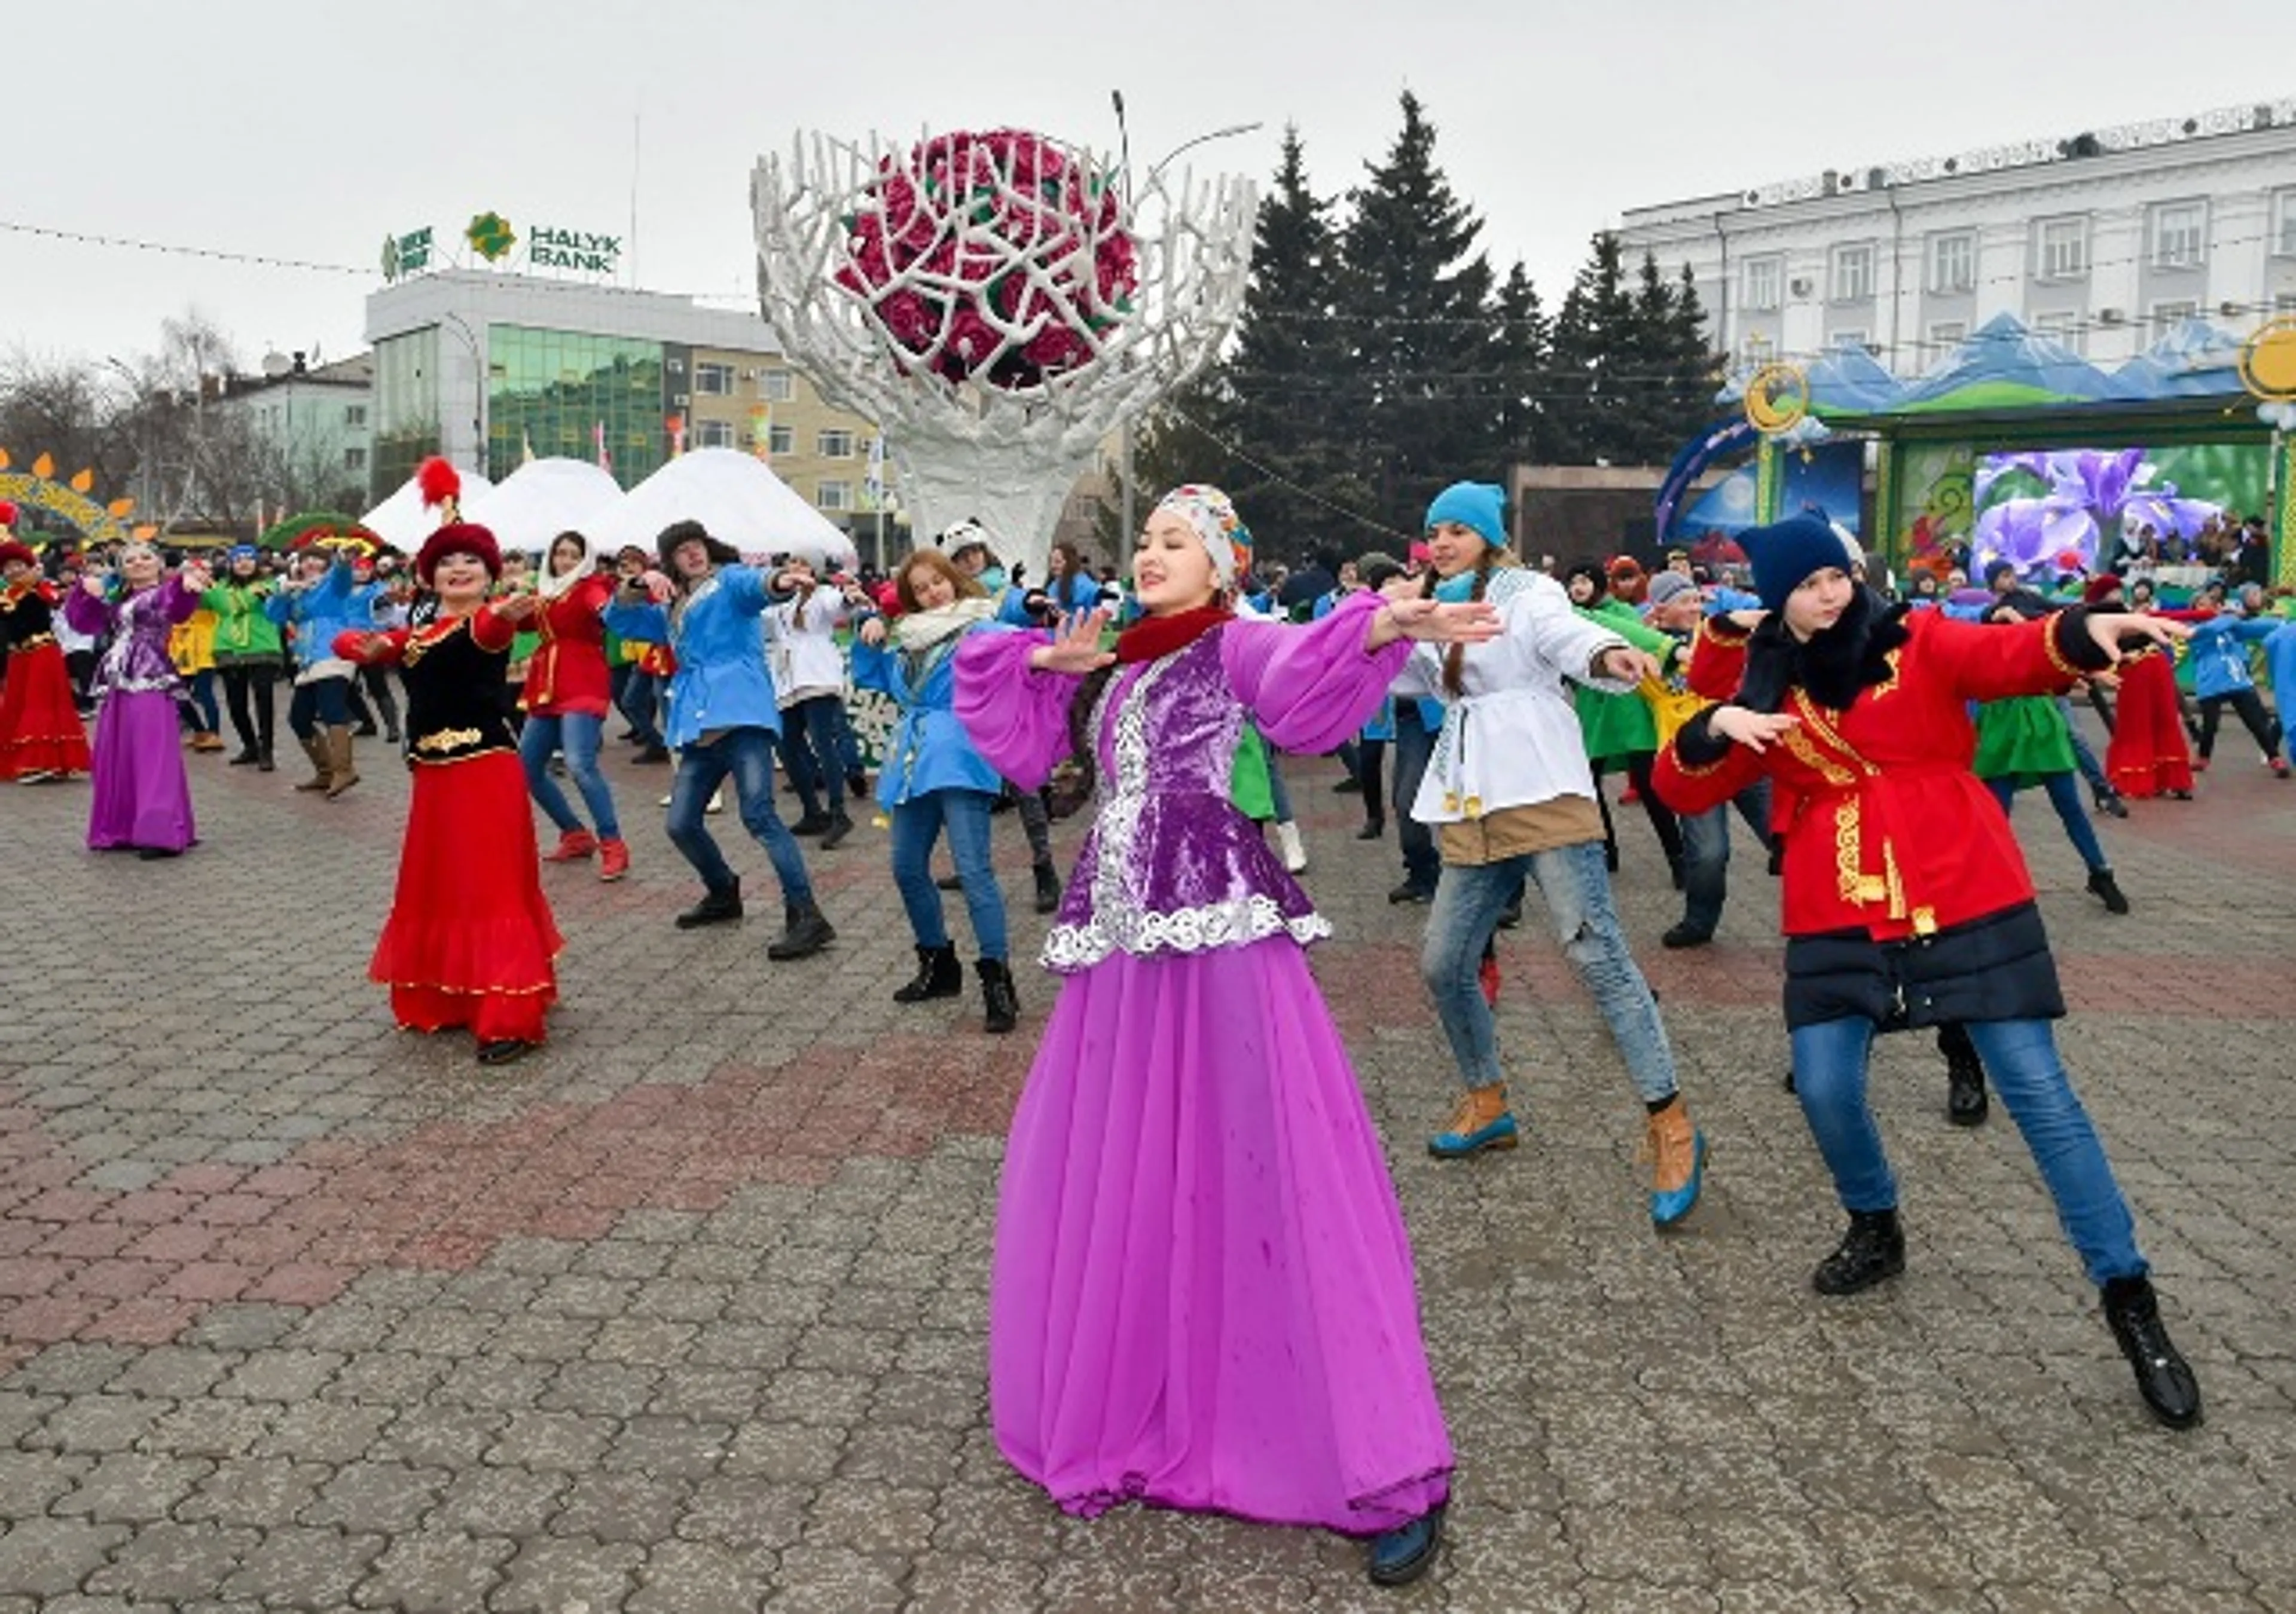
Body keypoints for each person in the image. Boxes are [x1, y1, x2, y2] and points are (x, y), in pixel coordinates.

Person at [952, 484, 1494, 1586]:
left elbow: (1296, 682)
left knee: (1273, 1170)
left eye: (1175, 541)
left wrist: (1381, 624)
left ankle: (1368, 1452)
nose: (1150, 554)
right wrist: (1045, 665)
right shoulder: (1131, 660)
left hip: (1217, 940)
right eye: (1144, 540)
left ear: (1224, 564)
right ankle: (1151, 1388)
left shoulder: (1231, 643)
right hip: (1123, 953)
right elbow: (988, 702)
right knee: (1135, 1171)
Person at [1654, 513, 2203, 1430]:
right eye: (1809, 584)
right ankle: (1875, 1223)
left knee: (2041, 1095)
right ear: (1776, 600)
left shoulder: (1915, 639)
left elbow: (2009, 655)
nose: (1832, 594)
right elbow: (1679, 790)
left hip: (1966, 882)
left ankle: (2130, 1299)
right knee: (1826, 1088)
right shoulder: (1767, 688)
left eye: (1839, 576)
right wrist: (1717, 728)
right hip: (1835, 902)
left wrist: (2083, 631)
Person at [1407, 485, 1706, 1230]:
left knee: (1596, 953)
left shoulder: (1526, 590)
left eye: (1456, 530)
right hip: (1471, 794)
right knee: (1445, 962)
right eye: (1433, 531)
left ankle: (1673, 1124)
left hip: (1540, 784)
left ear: (1486, 535)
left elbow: (1566, 635)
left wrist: (1610, 650)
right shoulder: (1429, 607)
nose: (1442, 542)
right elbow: (1395, 675)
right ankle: (1488, 1101)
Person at [335, 521, 560, 1065]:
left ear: (488, 574)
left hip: (485, 769)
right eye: (446, 563)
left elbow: (503, 625)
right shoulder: (419, 636)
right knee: (439, 882)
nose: (458, 570)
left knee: (490, 884)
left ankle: (508, 1012)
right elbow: (356, 643)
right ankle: (446, 995)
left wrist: (512, 612)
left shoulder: (487, 624)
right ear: (429, 577)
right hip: (433, 776)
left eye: (471, 563)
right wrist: (360, 645)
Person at [603, 519, 833, 959]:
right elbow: (619, 620)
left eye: (697, 546)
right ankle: (723, 892)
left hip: (743, 716)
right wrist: (637, 582)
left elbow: (758, 586)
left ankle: (807, 915)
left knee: (760, 816)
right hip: (699, 727)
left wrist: (781, 578)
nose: (692, 554)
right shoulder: (673, 608)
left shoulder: (727, 583)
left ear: (708, 549)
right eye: (681, 550)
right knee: (681, 824)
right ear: (670, 562)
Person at [851, 548, 1019, 1034]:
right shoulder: (907, 639)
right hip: (911, 761)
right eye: (921, 589)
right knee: (906, 867)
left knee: (974, 870)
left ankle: (997, 979)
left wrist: (1040, 621)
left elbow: (1023, 645)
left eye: (937, 582)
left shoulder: (979, 626)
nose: (932, 593)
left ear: (954, 580)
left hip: (961, 759)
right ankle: (938, 964)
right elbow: (874, 677)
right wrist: (870, 630)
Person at [62, 544, 206, 857]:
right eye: (130, 560)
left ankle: (160, 831)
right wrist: (87, 594)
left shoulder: (164, 593)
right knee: (117, 751)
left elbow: (178, 609)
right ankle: (121, 828)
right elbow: (84, 623)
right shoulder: (121, 601)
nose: (138, 563)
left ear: (158, 564)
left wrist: (187, 589)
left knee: (153, 752)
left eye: (145, 557)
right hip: (118, 680)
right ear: (122, 569)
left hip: (150, 676)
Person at [521, 529, 630, 881]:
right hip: (548, 686)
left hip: (582, 680)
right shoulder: (545, 592)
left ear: (584, 559)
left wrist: (623, 598)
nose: (564, 560)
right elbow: (522, 622)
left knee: (580, 763)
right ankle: (575, 833)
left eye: (572, 554)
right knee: (526, 768)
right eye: (559, 553)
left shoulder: (588, 587)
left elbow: (603, 606)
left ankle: (613, 843)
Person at [764, 554, 862, 850]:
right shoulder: (780, 605)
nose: (795, 569)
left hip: (817, 676)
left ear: (812, 570)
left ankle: (838, 812)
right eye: (790, 564)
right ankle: (812, 811)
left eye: (802, 564)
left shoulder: (822, 596)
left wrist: (848, 596)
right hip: (787, 682)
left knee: (823, 742)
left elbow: (839, 606)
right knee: (787, 745)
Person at [265, 546, 374, 799]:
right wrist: (283, 593)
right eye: (306, 559)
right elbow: (274, 616)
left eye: (318, 559)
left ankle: (344, 770)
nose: (312, 563)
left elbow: (342, 579)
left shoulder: (332, 585)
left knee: (332, 710)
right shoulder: (298, 591)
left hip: (334, 651)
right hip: (306, 659)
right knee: (299, 718)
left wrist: (344, 562)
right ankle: (325, 771)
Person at [0, 525, 93, 782]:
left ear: (29, 565)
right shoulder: (7, 595)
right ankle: (29, 760)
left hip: (42, 653)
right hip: (19, 657)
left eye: (18, 564)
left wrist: (36, 582)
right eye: (8, 568)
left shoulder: (41, 589)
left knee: (41, 702)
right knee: (19, 704)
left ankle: (44, 761)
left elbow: (52, 601)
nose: (13, 570)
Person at [202, 544, 283, 772]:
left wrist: (265, 595)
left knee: (263, 699)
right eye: (239, 560)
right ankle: (250, 746)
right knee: (236, 704)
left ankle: (267, 749)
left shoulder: (269, 584)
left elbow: (255, 602)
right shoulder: (220, 588)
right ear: (231, 564)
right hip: (229, 648)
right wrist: (193, 584)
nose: (244, 563)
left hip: (262, 646)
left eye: (249, 559)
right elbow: (204, 605)